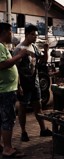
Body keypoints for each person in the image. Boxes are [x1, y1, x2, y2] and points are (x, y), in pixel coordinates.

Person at [13, 25, 52, 142]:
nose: (35, 37)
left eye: (36, 35)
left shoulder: (34, 47)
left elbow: (43, 61)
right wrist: (18, 85)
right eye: (33, 35)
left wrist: (46, 50)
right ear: (27, 35)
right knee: (23, 107)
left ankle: (43, 129)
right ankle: (24, 132)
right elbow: (15, 68)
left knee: (38, 106)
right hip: (24, 83)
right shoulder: (19, 49)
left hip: (35, 83)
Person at [0, 22, 29, 157]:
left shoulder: (3, 47)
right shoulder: (0, 47)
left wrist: (17, 86)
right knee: (8, 119)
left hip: (7, 88)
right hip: (5, 90)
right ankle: (7, 148)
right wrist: (19, 55)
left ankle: (2, 146)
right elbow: (2, 65)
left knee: (2, 119)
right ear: (4, 32)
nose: (12, 34)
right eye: (10, 31)